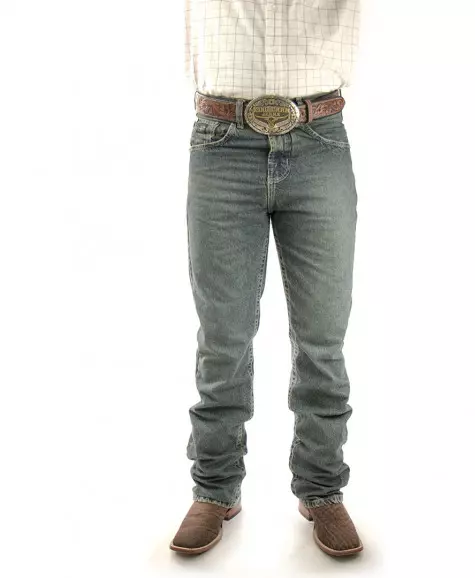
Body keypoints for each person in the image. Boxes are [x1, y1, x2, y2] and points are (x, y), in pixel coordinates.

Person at [170, 0, 363, 557]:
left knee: (323, 338)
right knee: (223, 338)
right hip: (222, 142)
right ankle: (214, 489)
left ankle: (322, 489)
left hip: (319, 139)